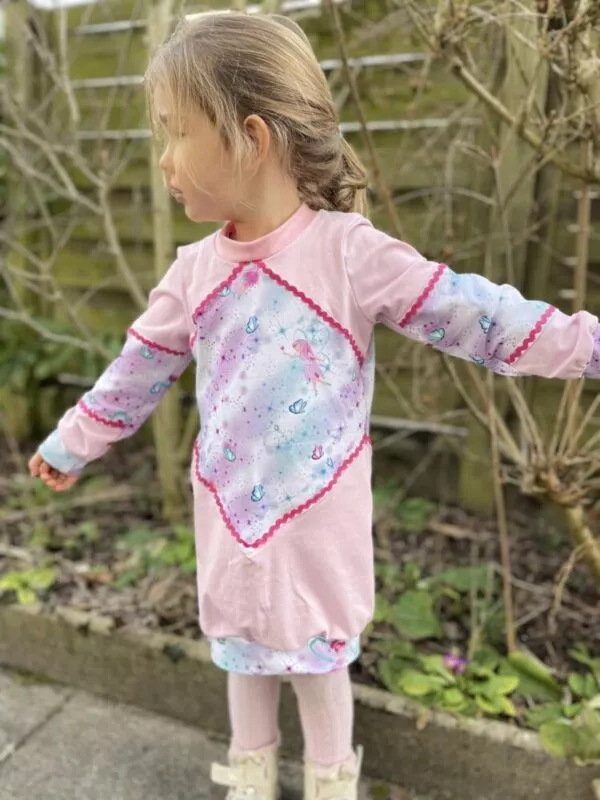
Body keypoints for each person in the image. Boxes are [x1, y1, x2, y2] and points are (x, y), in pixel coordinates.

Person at [29, 11, 600, 800]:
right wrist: (73, 441)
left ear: (251, 137)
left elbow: (476, 314)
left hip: (318, 512)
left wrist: (587, 344)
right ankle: (251, 773)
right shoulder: (194, 273)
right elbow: (137, 369)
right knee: (241, 648)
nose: (162, 158)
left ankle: (333, 781)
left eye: (177, 132)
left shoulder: (348, 254)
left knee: (321, 654)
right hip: (229, 507)